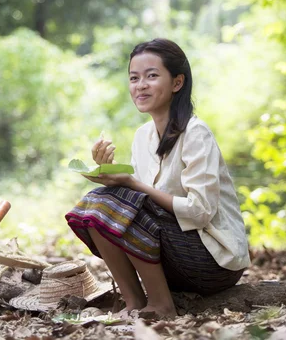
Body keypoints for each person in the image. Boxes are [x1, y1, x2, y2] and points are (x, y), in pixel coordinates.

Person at [65, 38, 251, 317]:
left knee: (114, 203)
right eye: (134, 78)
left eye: (152, 76)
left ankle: (162, 306)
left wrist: (130, 184)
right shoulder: (143, 136)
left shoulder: (196, 134)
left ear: (177, 82)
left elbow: (200, 212)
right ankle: (135, 304)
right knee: (96, 205)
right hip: (172, 261)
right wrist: (111, 172)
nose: (140, 85)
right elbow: (138, 198)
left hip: (213, 264)